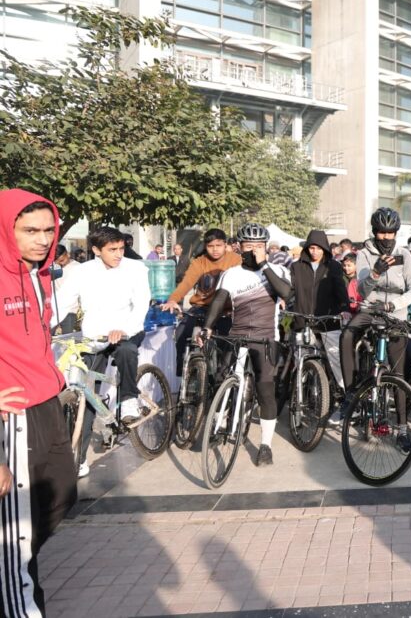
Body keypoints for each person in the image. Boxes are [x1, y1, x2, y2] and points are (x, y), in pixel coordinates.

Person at [0, 190, 78, 617]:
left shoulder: (40, 274)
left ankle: (15, 571)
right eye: (30, 230)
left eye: (49, 230)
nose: (43, 239)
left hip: (46, 402)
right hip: (13, 413)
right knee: (16, 533)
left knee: (63, 492)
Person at [55, 225, 152, 475]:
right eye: (112, 250)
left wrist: (124, 329)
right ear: (97, 250)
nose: (119, 254)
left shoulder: (136, 269)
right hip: (94, 336)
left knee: (126, 351)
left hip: (127, 330)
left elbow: (141, 305)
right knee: (87, 396)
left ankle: (129, 399)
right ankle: (79, 460)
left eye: (121, 248)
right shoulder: (82, 272)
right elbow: (62, 304)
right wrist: (46, 326)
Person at [200, 223, 292, 467]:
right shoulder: (231, 274)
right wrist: (207, 327)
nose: (253, 250)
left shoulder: (278, 270)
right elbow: (218, 301)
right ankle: (218, 424)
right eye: (249, 246)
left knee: (265, 389)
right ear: (239, 247)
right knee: (222, 378)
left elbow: (286, 293)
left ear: (266, 247)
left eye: (259, 246)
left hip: (266, 338)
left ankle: (265, 445)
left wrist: (264, 266)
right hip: (237, 335)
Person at [341, 208, 411, 450]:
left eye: (390, 233)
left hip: (395, 313)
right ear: (374, 232)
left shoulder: (404, 255)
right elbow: (362, 290)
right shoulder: (364, 254)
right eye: (381, 233)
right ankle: (350, 393)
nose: (386, 238)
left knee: (398, 374)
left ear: (396, 233)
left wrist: (393, 304)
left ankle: (402, 429)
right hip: (370, 310)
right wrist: (375, 273)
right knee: (347, 335)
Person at [161, 229, 242, 377]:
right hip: (201, 307)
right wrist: (173, 300)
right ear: (205, 246)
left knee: (229, 344)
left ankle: (224, 379)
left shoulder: (236, 260)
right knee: (181, 333)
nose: (215, 249)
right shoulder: (199, 262)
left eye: (218, 245)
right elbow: (186, 283)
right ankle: (183, 375)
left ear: (225, 245)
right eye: (210, 246)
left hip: (226, 310)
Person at [290, 229, 348, 331]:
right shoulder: (296, 266)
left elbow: (340, 290)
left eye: (319, 248)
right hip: (302, 320)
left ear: (324, 248)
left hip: (327, 320)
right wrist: (282, 300)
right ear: (307, 247)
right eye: (312, 248)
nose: (315, 252)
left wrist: (345, 309)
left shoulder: (333, 266)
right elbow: (291, 289)